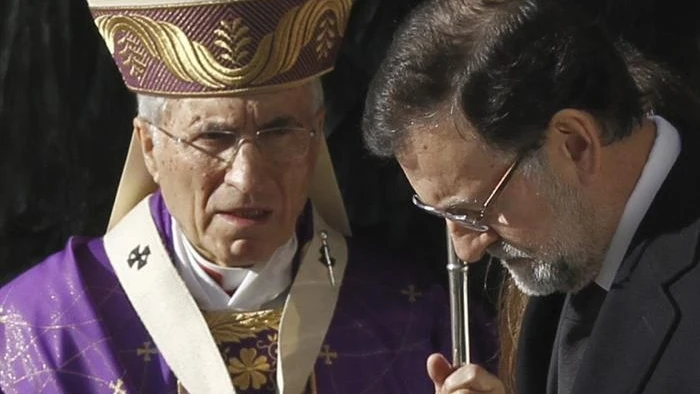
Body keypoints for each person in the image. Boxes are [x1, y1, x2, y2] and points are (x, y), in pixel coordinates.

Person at [0, 0, 499, 393]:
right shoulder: (43, 331)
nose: (247, 178)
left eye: (280, 131)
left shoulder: (417, 323)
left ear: (317, 136)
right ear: (149, 146)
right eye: (214, 138)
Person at [362, 0, 700, 393]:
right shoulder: (574, 236)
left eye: (475, 211)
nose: (465, 249)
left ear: (574, 144)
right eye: (444, 215)